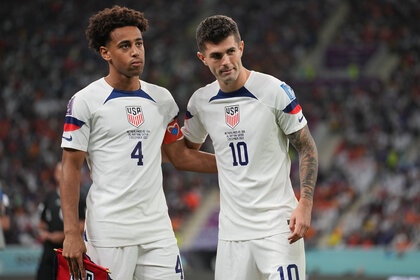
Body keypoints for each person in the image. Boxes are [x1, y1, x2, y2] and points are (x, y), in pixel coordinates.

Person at [59, 6, 217, 280]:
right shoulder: (85, 101)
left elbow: (179, 156)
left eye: (139, 43)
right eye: (125, 46)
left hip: (157, 230)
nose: (136, 51)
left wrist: (236, 163)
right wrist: (71, 233)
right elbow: (70, 168)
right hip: (109, 232)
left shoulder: (162, 99)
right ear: (105, 52)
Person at [182, 15, 318, 280]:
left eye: (231, 52)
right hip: (232, 235)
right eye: (216, 55)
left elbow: (307, 147)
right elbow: (185, 152)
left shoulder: (274, 91)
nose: (226, 62)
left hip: (279, 227)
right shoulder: (200, 102)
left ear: (241, 48)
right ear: (202, 58)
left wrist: (306, 204)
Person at [36, 162, 86, 280]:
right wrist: (48, 236)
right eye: (59, 172)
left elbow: (85, 224)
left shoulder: (80, 197)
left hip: (71, 250)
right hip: (49, 251)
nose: (62, 175)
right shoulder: (49, 197)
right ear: (55, 175)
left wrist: (66, 235)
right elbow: (41, 224)